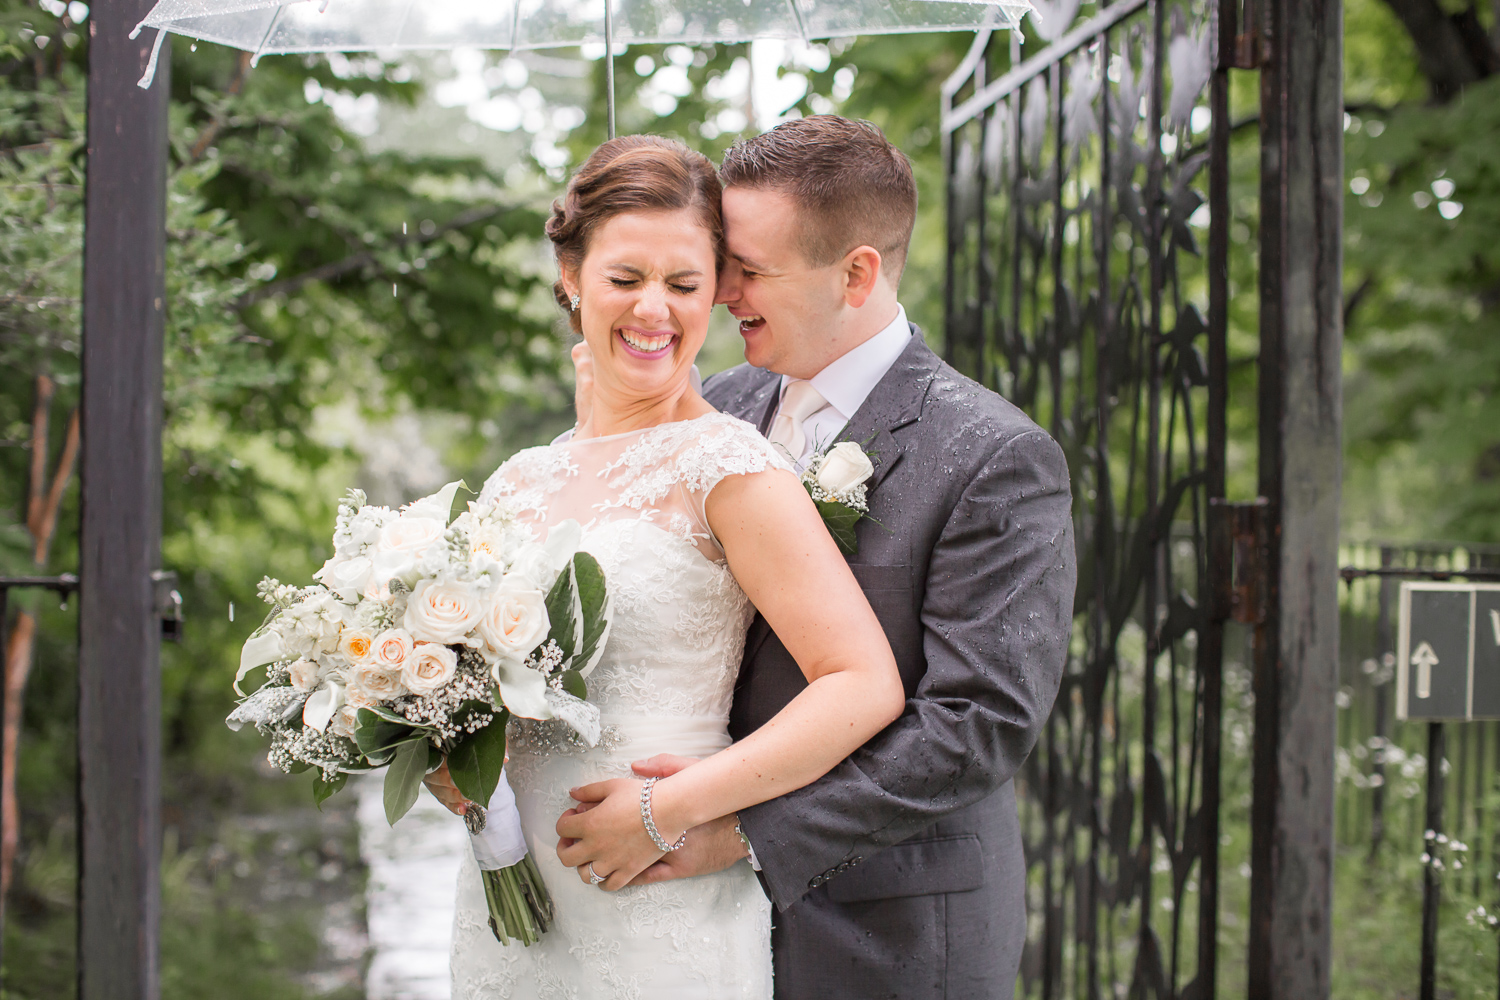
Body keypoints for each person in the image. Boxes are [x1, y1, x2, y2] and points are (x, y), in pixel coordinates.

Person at [565, 116, 1077, 999]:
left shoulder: (994, 455)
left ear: (857, 273)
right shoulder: (714, 405)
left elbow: (976, 724)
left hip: (891, 932)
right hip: (685, 928)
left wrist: (738, 829)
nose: (722, 291)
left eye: (749, 269)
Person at [423, 134, 906, 999]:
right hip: (511, 909)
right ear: (571, 277)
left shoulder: (728, 463)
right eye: (625, 278)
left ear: (717, 291)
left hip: (660, 905)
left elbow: (862, 683)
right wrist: (440, 744)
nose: (656, 310)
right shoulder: (518, 478)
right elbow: (484, 692)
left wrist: (667, 810)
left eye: (685, 285)